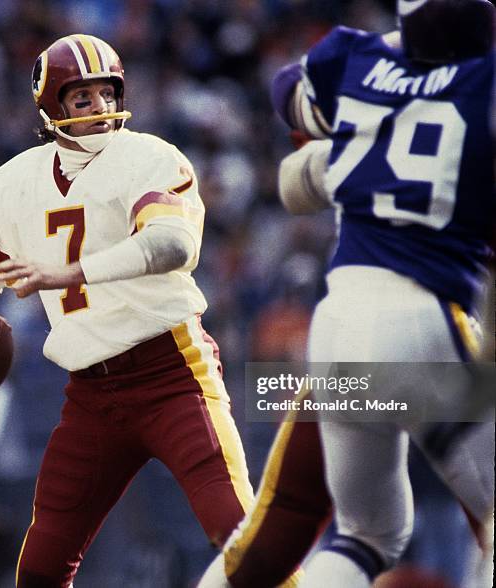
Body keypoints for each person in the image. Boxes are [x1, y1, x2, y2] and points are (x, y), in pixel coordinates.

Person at [0, 33, 254, 588]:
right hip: (90, 394)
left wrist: (72, 273)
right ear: (52, 105)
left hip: (172, 373)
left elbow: (176, 246)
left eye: (107, 94)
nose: (102, 108)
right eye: (83, 98)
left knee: (243, 538)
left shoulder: (149, 156)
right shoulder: (16, 180)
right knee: (39, 567)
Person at [199, 0, 495, 586]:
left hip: (338, 324)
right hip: (425, 317)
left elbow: (287, 89)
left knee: (368, 531)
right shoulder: (483, 80)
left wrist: (373, 119)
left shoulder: (354, 57)